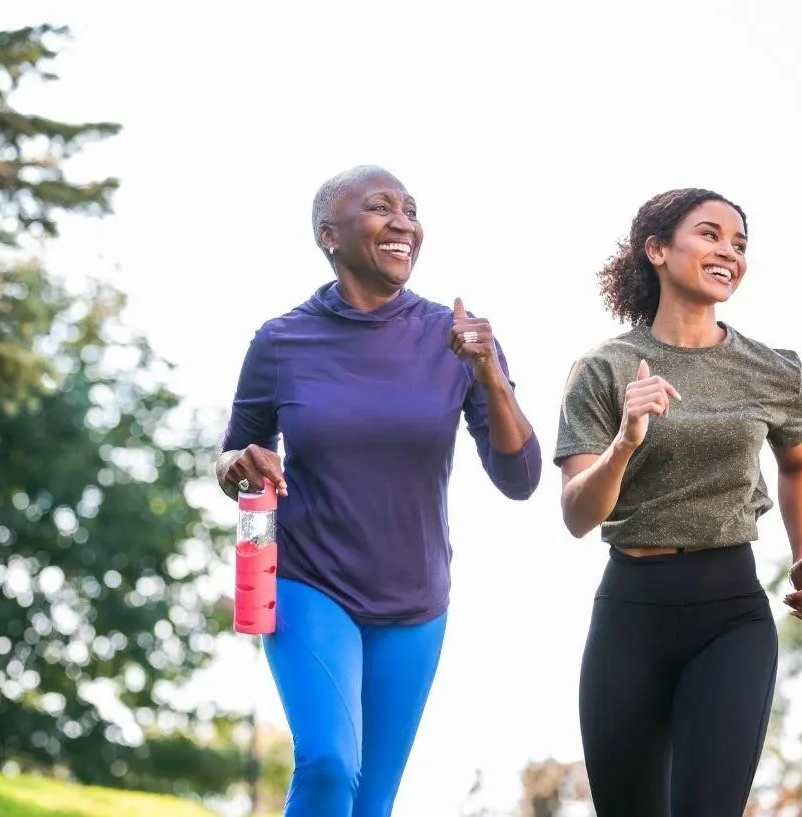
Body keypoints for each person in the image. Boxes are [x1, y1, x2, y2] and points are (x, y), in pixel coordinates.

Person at [214, 165, 542, 817]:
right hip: (310, 579)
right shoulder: (281, 340)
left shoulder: (459, 337)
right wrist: (237, 465)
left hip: (416, 597)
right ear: (328, 235)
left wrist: (490, 377)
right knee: (330, 762)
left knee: (373, 800)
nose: (403, 222)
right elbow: (233, 455)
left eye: (411, 210)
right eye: (380, 208)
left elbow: (520, 477)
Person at [554, 188, 802, 817]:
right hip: (631, 613)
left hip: (729, 613)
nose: (728, 253)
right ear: (656, 250)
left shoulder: (773, 370)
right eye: (710, 235)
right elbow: (577, 514)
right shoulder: (605, 369)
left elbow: (799, 463)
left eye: (739, 244)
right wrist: (625, 442)